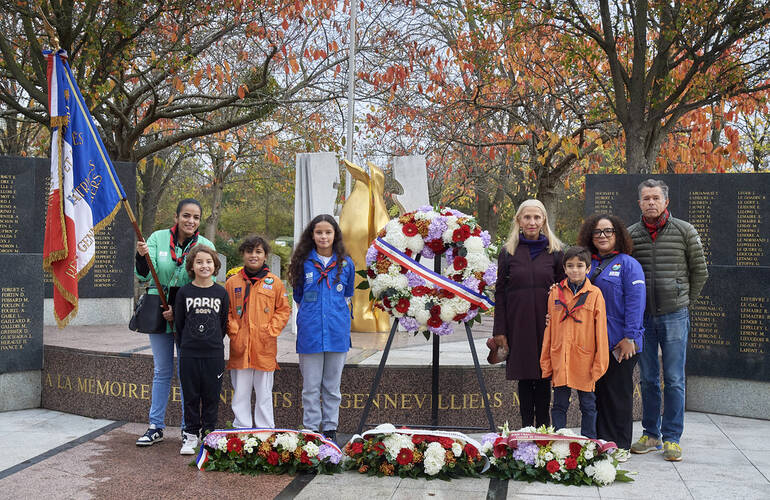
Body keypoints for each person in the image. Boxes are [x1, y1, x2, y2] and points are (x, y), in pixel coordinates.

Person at [629, 179, 708, 462]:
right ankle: (651, 434)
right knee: (648, 378)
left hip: (675, 315)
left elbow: (700, 272)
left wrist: (684, 301)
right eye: (646, 198)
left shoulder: (685, 231)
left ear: (666, 202)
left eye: (656, 198)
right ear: (639, 203)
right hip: (643, 318)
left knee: (674, 379)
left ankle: (672, 438)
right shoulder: (631, 235)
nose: (651, 202)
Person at [134, 198, 216, 447]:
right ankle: (155, 426)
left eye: (196, 217)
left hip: (190, 314)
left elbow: (207, 282)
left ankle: (187, 428)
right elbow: (143, 274)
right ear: (176, 217)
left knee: (186, 372)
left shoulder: (205, 245)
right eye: (186, 216)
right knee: (162, 370)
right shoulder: (157, 238)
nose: (191, 221)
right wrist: (141, 257)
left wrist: (179, 311)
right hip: (159, 308)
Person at [493, 199, 565, 428]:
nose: (532, 222)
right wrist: (500, 330)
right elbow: (500, 293)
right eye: (527, 217)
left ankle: (543, 430)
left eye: (536, 217)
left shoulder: (555, 252)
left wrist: (560, 321)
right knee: (524, 378)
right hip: (518, 323)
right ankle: (526, 429)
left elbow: (564, 291)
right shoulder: (508, 252)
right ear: (519, 220)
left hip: (547, 324)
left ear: (544, 220)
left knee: (544, 377)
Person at [577, 214, 645, 454]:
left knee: (618, 396)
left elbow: (636, 303)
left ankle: (620, 447)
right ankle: (601, 444)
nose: (602, 236)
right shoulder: (585, 264)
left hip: (620, 344)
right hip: (591, 344)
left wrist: (630, 337)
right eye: (597, 231)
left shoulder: (629, 264)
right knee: (598, 397)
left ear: (618, 235)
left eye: (608, 231)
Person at [288, 214, 355, 444]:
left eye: (328, 232)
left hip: (337, 332)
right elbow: (299, 296)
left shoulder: (346, 263)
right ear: (312, 235)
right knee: (310, 386)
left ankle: (330, 428)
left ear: (335, 235)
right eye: (319, 232)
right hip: (311, 332)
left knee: (332, 387)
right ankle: (311, 429)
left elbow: (347, 294)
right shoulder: (302, 262)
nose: (323, 236)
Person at [540, 246, 609, 438]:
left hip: (584, 359)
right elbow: (549, 330)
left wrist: (600, 362)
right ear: (564, 268)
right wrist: (546, 360)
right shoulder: (555, 293)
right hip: (561, 357)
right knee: (559, 404)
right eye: (570, 266)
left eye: (580, 266)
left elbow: (601, 331)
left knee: (588, 404)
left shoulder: (595, 294)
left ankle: (589, 443)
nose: (575, 270)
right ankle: (559, 443)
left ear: (588, 268)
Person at [226, 235, 291, 429]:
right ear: (243, 254)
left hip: (264, 346)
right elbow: (226, 311)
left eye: (258, 252)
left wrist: (271, 330)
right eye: (249, 251)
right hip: (240, 346)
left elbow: (283, 310)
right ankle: (242, 429)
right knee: (240, 392)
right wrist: (234, 330)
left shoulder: (274, 282)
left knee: (264, 393)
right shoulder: (232, 283)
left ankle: (265, 430)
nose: (253, 255)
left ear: (265, 255)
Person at [174, 245, 228, 455]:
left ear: (215, 266)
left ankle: (209, 434)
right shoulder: (184, 292)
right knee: (191, 396)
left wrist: (211, 341)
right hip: (189, 353)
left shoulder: (221, 293)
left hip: (213, 353)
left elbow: (222, 322)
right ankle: (190, 435)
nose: (204, 266)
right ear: (191, 266)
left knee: (211, 396)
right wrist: (188, 343)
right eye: (199, 262)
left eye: (208, 262)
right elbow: (179, 324)